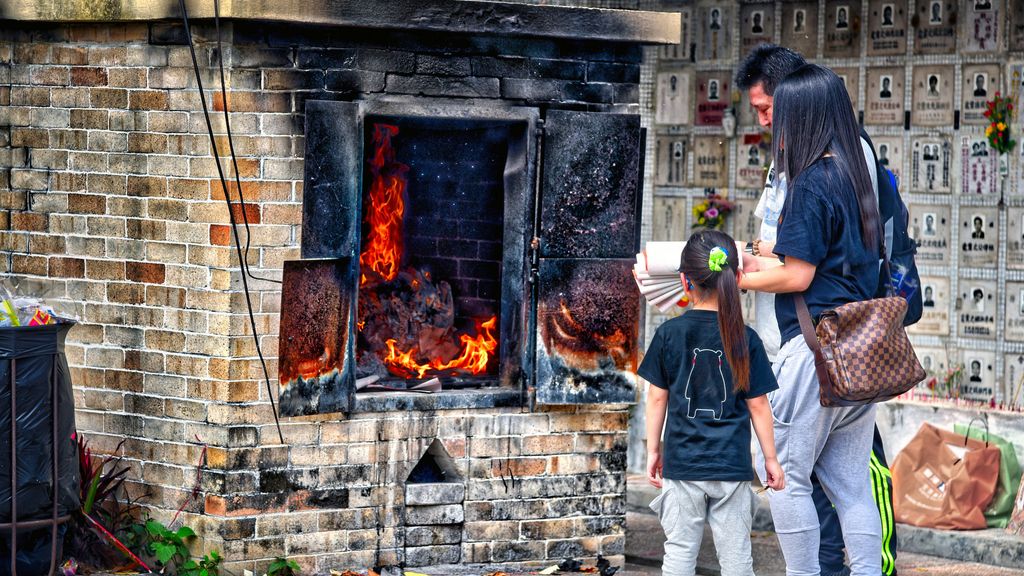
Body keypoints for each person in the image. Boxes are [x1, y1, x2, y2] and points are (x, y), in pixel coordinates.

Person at [736, 54, 889, 576]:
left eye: (781, 111)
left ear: (805, 113)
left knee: (781, 471)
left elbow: (798, 276)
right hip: (859, 350)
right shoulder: (855, 172)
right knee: (851, 486)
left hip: (816, 349)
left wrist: (735, 278)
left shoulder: (810, 179)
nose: (773, 123)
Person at [642, 231, 785, 576]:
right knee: (737, 560)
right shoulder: (746, 338)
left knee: (678, 556)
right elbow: (759, 406)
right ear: (737, 279)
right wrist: (770, 459)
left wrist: (653, 450)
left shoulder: (668, 334)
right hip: (731, 468)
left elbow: (656, 397)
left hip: (683, 464)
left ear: (683, 281)